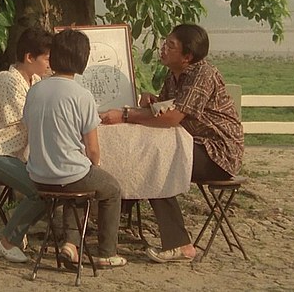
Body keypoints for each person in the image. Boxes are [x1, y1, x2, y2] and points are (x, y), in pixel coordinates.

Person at [100, 23, 244, 263]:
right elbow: (162, 111)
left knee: (156, 166)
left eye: (170, 45)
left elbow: (172, 118)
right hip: (192, 144)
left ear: (187, 56)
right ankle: (112, 222)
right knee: (146, 159)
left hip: (218, 152)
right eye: (164, 43)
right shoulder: (173, 75)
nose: (163, 49)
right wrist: (152, 101)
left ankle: (180, 244)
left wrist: (125, 115)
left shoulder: (202, 74)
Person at [24, 29, 127, 268]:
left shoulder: (35, 90)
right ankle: (107, 252)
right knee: (111, 189)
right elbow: (92, 148)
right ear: (83, 59)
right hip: (69, 174)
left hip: (38, 175)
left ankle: (70, 245)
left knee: (79, 182)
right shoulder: (82, 95)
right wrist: (95, 166)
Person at [0, 27, 60, 263]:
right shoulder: (9, 80)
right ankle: (8, 242)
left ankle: (16, 227)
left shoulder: (35, 81)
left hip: (14, 153)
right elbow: (29, 118)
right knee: (39, 190)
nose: (50, 64)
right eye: (47, 59)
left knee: (50, 188)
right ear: (29, 57)